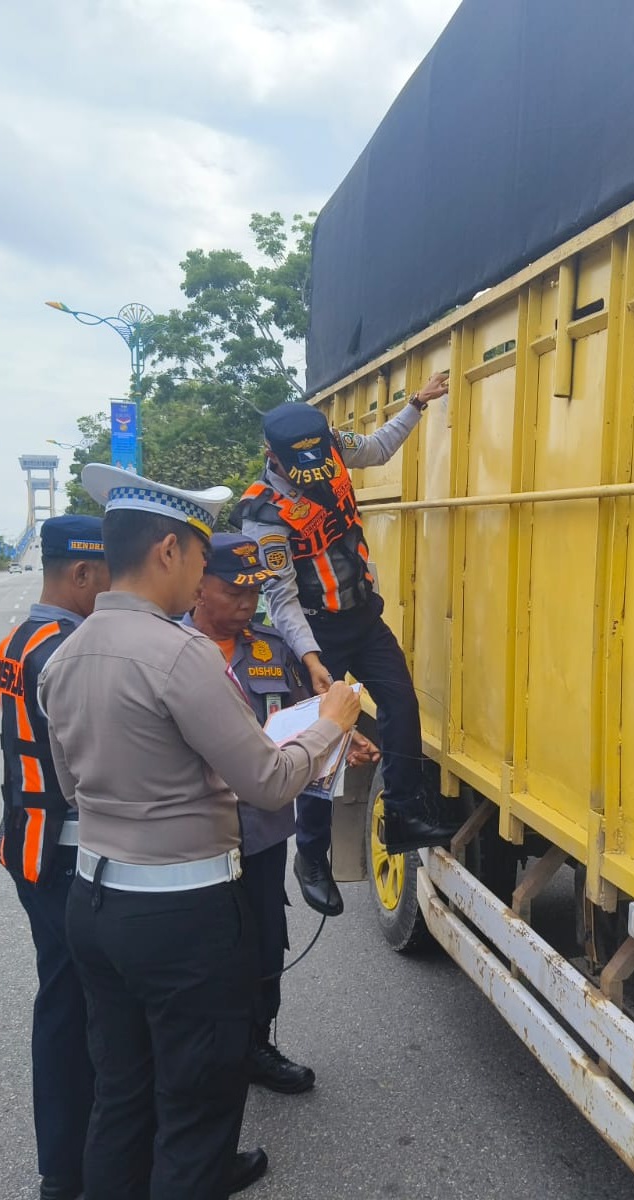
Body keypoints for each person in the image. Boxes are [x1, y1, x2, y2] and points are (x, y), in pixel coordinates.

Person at [39, 465, 362, 1200]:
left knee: (121, 1096)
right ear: (167, 552)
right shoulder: (180, 656)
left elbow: (70, 788)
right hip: (179, 920)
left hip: (94, 904)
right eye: (198, 554)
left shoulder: (67, 655)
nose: (205, 578)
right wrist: (331, 724)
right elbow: (272, 782)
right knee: (194, 1113)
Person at [234, 371, 458, 907]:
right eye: (299, 466)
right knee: (323, 748)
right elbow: (282, 599)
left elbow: (378, 449)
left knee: (402, 706)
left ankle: (404, 813)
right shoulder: (263, 515)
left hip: (363, 618)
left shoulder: (330, 447)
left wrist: (416, 405)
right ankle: (311, 855)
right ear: (272, 453)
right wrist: (310, 658)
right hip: (315, 631)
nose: (312, 473)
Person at [184, 533, 380, 1094]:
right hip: (198, 836)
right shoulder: (171, 652)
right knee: (203, 953)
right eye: (232, 591)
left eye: (253, 592)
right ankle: (205, 1056)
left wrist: (345, 741)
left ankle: (256, 1046)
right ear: (199, 587)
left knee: (265, 942)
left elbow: (306, 719)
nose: (246, 604)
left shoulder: (272, 650)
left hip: (264, 832)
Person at [0, 516, 110, 1200]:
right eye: (107, 581)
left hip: (27, 845)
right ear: (83, 573)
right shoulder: (66, 653)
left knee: (65, 1000)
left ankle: (72, 1162)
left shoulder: (17, 641)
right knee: (83, 1010)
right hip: (64, 855)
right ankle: (73, 1169)